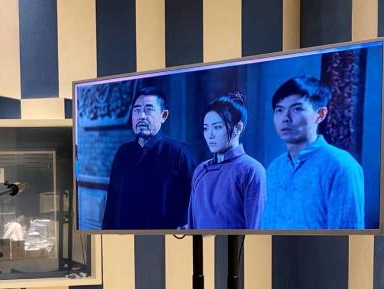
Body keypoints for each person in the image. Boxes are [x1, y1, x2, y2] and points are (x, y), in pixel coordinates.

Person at [262, 75, 365, 229]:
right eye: (279, 110)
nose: (285, 118)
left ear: (320, 114)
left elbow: (348, 233)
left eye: (297, 109)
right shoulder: (275, 168)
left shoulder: (341, 165)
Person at [102, 86, 195, 230]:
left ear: (163, 116)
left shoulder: (179, 153)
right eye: (137, 110)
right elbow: (111, 204)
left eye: (149, 110)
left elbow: (193, 204)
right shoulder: (123, 152)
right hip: (123, 239)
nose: (141, 116)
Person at [188, 93, 266, 229]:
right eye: (206, 128)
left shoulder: (252, 170)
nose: (210, 135)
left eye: (217, 127)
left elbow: (256, 228)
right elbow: (192, 225)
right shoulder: (200, 171)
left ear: (238, 128)